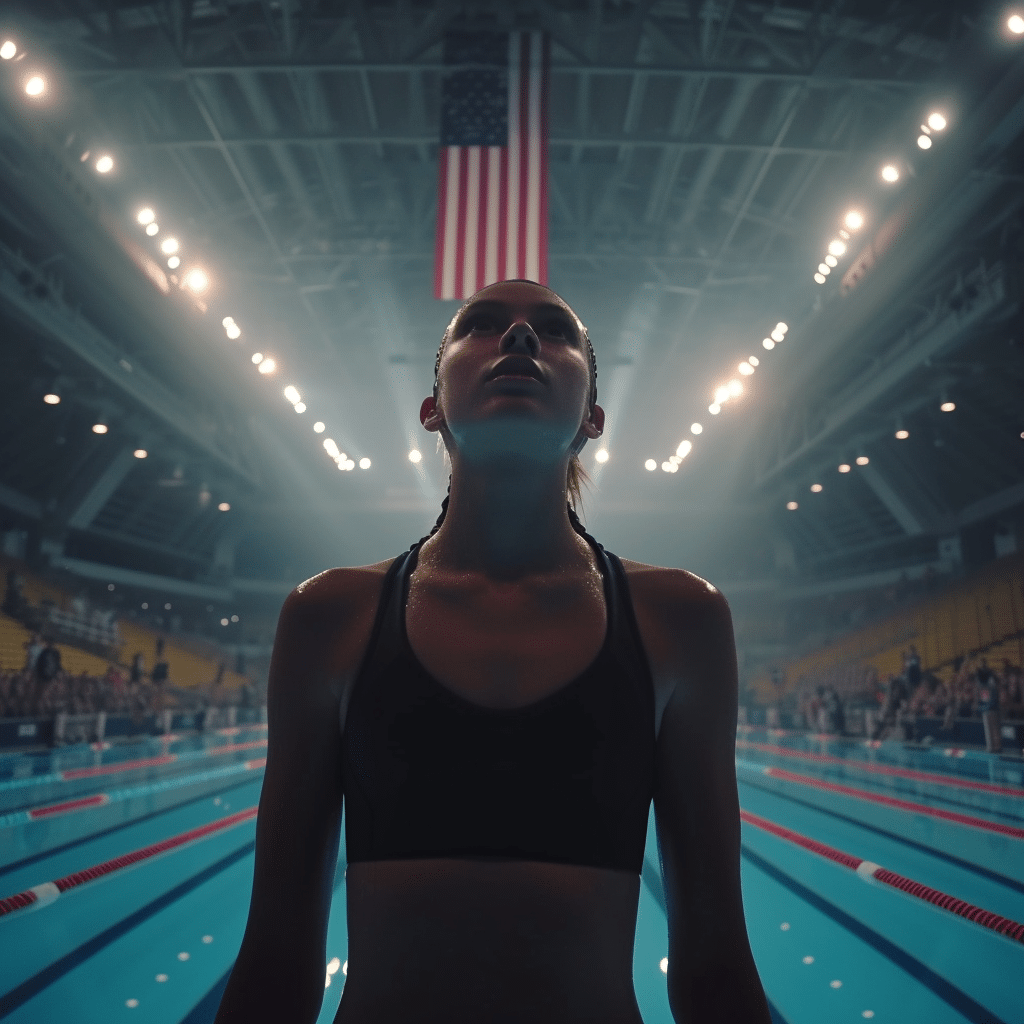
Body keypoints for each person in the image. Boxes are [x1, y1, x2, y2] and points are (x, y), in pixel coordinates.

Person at [214, 280, 771, 1024]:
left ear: (594, 418)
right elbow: (276, 961)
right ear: (431, 408)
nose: (517, 338)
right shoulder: (329, 616)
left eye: (552, 330)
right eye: (481, 325)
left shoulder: (680, 620)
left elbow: (716, 966)